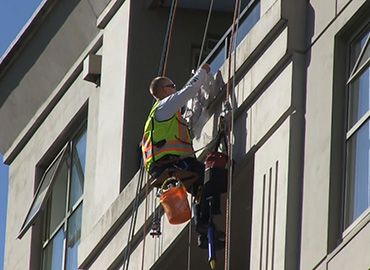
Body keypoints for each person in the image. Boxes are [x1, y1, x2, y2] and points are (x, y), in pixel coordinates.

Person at [141, 64, 224, 248]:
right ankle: (202, 224)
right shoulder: (164, 106)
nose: (175, 89)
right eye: (172, 86)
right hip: (172, 163)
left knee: (200, 189)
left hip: (168, 164)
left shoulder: (162, 115)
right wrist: (203, 71)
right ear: (164, 90)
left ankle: (204, 229)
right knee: (213, 175)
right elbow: (189, 90)